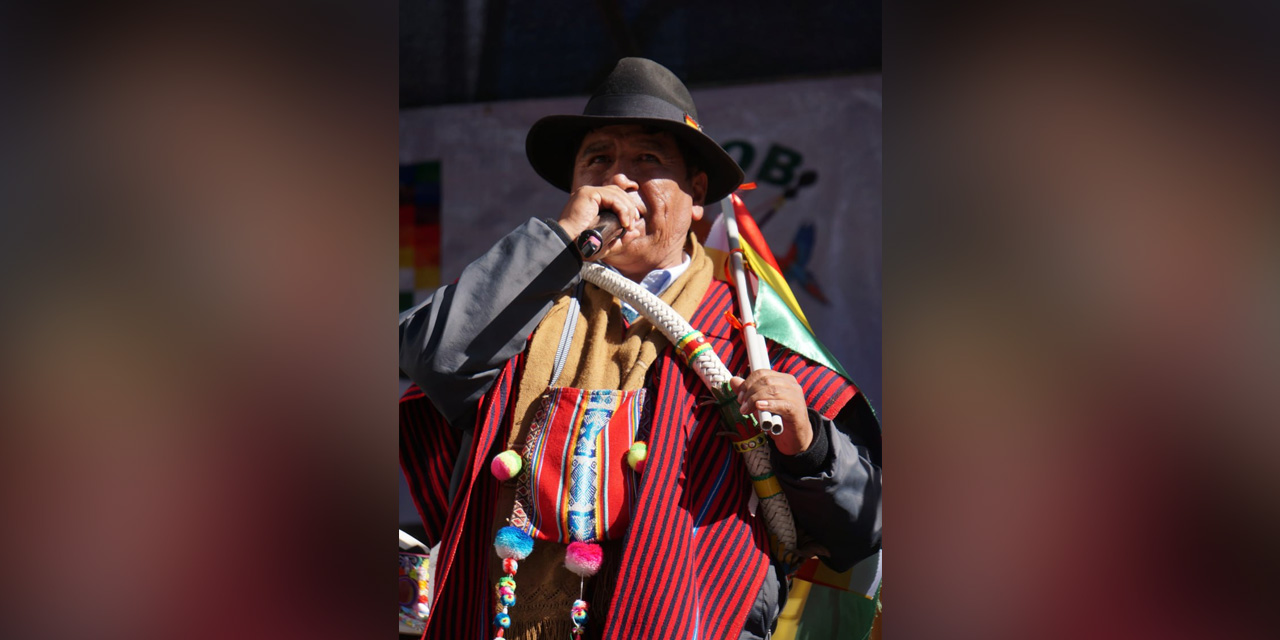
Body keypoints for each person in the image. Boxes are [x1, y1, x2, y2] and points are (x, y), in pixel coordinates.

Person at [399, 57, 880, 640]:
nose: (618, 179)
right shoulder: (525, 300)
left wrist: (808, 447)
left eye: (646, 160)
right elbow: (431, 357)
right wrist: (555, 244)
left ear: (697, 194)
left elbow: (865, 525)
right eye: (597, 160)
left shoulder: (751, 332)